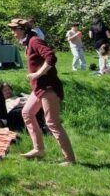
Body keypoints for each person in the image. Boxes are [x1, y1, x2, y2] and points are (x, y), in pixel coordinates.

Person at [8, 18, 76, 165]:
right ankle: (38, 149)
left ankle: (70, 159)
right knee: (27, 113)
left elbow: (51, 57)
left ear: (22, 29)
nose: (13, 33)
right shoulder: (29, 42)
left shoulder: (34, 41)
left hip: (48, 87)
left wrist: (39, 73)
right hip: (39, 88)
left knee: (52, 123)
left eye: (14, 30)